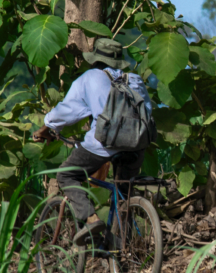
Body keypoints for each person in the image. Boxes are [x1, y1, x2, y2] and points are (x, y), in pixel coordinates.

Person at [33, 38, 153, 243]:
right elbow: (147, 112)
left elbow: (65, 111)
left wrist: (46, 129)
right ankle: (126, 246)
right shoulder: (134, 80)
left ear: (95, 59)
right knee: (123, 192)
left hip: (104, 145)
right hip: (137, 144)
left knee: (66, 175)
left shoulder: (90, 78)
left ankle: (91, 219)